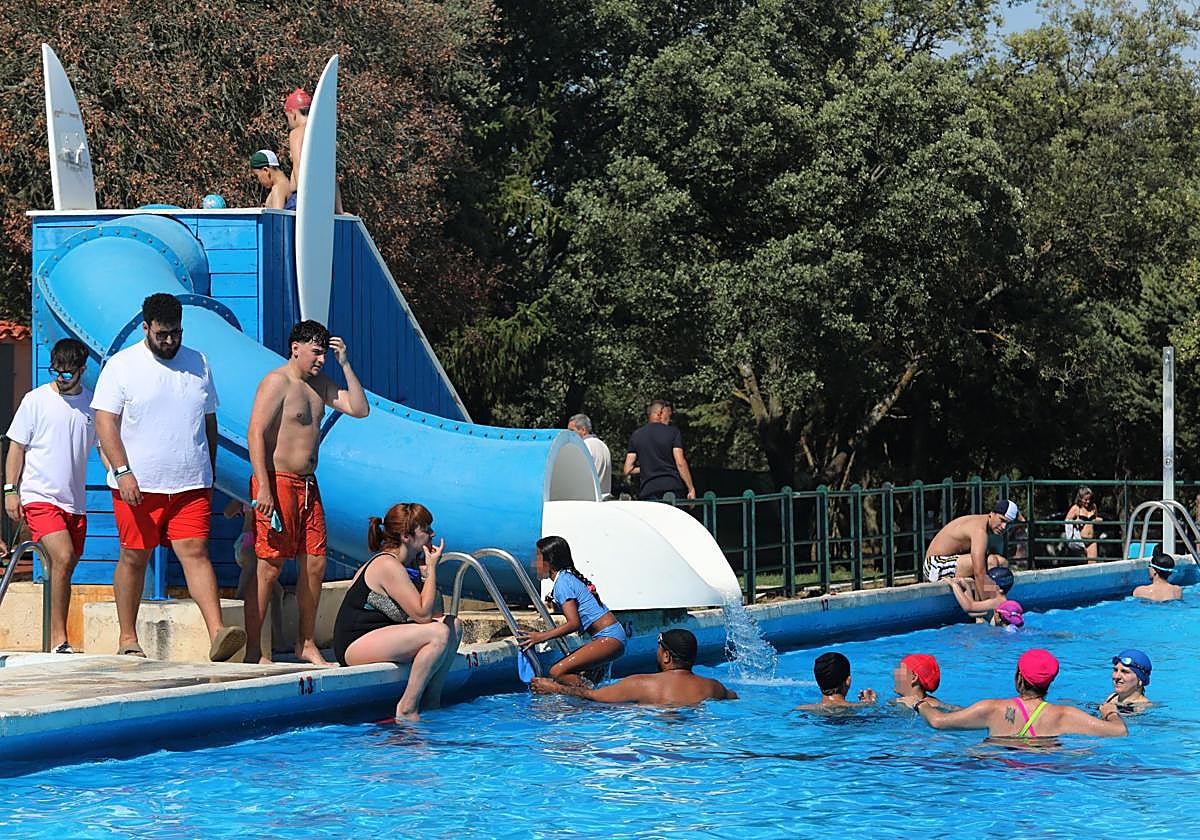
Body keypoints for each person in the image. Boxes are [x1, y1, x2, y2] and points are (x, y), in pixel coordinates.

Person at [91, 293, 246, 660]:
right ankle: (128, 637)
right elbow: (105, 422)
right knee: (135, 556)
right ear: (146, 328)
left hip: (191, 482)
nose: (169, 341)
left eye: (175, 333)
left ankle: (218, 633)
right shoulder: (122, 366)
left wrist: (209, 471)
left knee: (195, 552)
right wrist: (122, 471)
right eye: (162, 334)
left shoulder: (199, 362)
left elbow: (208, 421)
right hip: (138, 484)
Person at [244, 320, 369, 665]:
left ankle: (307, 643)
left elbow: (360, 409)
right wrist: (263, 486)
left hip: (308, 485)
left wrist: (345, 364)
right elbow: (255, 433)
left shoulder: (321, 385)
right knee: (270, 566)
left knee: (315, 564)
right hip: (278, 481)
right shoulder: (277, 382)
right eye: (316, 353)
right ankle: (255, 649)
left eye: (324, 354)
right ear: (295, 348)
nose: (321, 360)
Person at [4, 338, 98, 653]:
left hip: (74, 503)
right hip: (39, 496)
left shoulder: (92, 405)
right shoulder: (35, 400)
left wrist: (121, 475)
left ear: (82, 370)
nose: (60, 378)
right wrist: (10, 489)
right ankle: (59, 639)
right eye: (56, 371)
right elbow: (16, 447)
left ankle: (53, 638)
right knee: (64, 556)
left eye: (68, 373)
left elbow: (105, 447)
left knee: (64, 567)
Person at [331, 503, 460, 721]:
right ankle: (407, 707)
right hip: (354, 643)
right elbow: (423, 616)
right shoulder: (387, 565)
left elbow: (436, 613)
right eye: (426, 529)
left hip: (381, 634)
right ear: (406, 536)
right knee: (438, 634)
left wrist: (425, 574)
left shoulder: (407, 564)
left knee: (453, 626)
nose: (432, 534)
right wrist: (432, 570)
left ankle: (432, 701)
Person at [914, 649, 1127, 739]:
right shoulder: (1065, 715)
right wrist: (1110, 712)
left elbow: (937, 721)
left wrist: (919, 704)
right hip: (1046, 771)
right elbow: (1119, 732)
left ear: (1018, 677)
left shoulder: (992, 708)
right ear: (1050, 681)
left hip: (997, 769)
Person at [517, 535, 627, 685]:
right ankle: (589, 696)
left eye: (538, 557)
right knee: (577, 675)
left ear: (549, 562)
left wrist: (541, 637)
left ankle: (589, 694)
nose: (535, 563)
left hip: (609, 638)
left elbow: (574, 623)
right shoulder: (566, 578)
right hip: (612, 635)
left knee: (556, 671)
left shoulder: (562, 583)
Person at [530, 628, 736, 705]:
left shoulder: (641, 684)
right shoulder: (713, 687)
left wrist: (554, 688)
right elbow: (734, 696)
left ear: (666, 656)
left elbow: (593, 696)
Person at [223, 498, 284, 653]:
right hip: (251, 542)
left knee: (276, 593)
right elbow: (228, 512)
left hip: (254, 541)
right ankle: (237, 637)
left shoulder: (247, 493)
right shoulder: (249, 492)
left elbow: (228, 513)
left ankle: (279, 641)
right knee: (246, 589)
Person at [922, 499, 1019, 595]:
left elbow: (999, 570)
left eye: (1009, 524)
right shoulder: (979, 530)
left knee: (1002, 563)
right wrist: (988, 602)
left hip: (953, 562)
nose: (1004, 527)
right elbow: (979, 573)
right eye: (1002, 520)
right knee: (991, 562)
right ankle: (986, 602)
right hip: (934, 566)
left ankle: (989, 599)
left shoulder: (995, 532)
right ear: (991, 514)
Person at [623, 400, 696, 501]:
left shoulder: (636, 435)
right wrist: (691, 488)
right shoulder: (673, 432)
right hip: (671, 487)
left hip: (648, 489)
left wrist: (647, 467)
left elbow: (627, 469)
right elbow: (680, 462)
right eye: (668, 415)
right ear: (660, 413)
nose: (669, 419)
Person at [285, 87, 343, 214]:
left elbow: (298, 166)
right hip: (324, 199)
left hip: (302, 199)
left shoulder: (296, 133)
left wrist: (305, 200)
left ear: (293, 114)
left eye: (287, 117)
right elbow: (331, 173)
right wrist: (339, 210)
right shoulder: (323, 134)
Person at [794, 651, 877, 712]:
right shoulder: (860, 708)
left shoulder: (801, 709)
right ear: (848, 681)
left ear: (818, 681)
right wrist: (870, 704)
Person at [947, 566, 1015, 624]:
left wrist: (954, 586)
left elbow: (968, 607)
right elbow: (972, 613)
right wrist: (967, 587)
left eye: (988, 584)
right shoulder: (999, 601)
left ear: (999, 589)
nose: (985, 587)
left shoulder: (997, 602)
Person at [567, 413, 612, 498]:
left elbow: (575, 476)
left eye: (572, 431)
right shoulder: (603, 445)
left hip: (587, 500)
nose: (569, 434)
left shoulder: (583, 446)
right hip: (604, 498)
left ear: (583, 430)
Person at [1064, 485, 1103, 560]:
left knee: (1092, 563)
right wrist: (1075, 522)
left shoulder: (1093, 506)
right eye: (1085, 499)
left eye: (1089, 499)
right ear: (1080, 498)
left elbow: (1095, 518)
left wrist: (1099, 520)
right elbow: (1067, 521)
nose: (1088, 501)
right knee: (1081, 563)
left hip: (1091, 539)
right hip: (1080, 540)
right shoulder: (1076, 508)